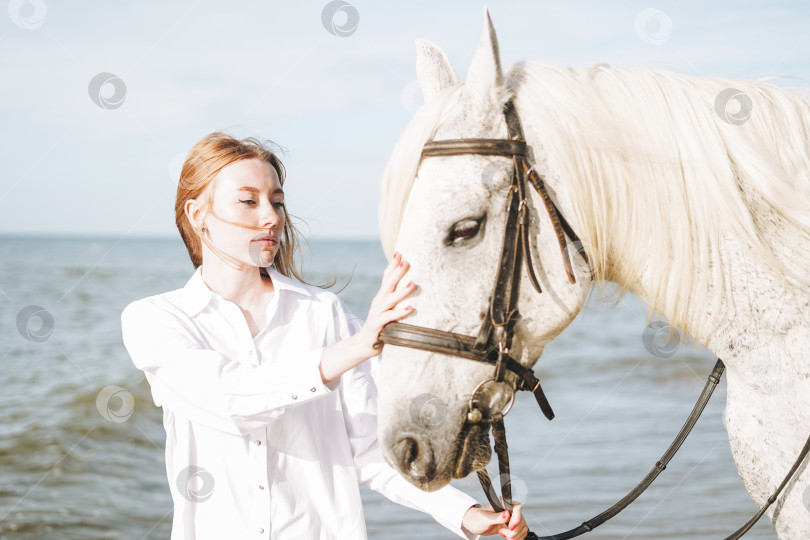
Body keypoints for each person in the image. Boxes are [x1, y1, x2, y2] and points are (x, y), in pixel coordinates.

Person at [120, 132, 529, 540]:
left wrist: (464, 513)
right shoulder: (155, 320)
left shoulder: (323, 313)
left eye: (277, 202)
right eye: (248, 201)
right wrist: (354, 348)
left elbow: (371, 449)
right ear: (197, 215)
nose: (271, 217)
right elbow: (230, 401)